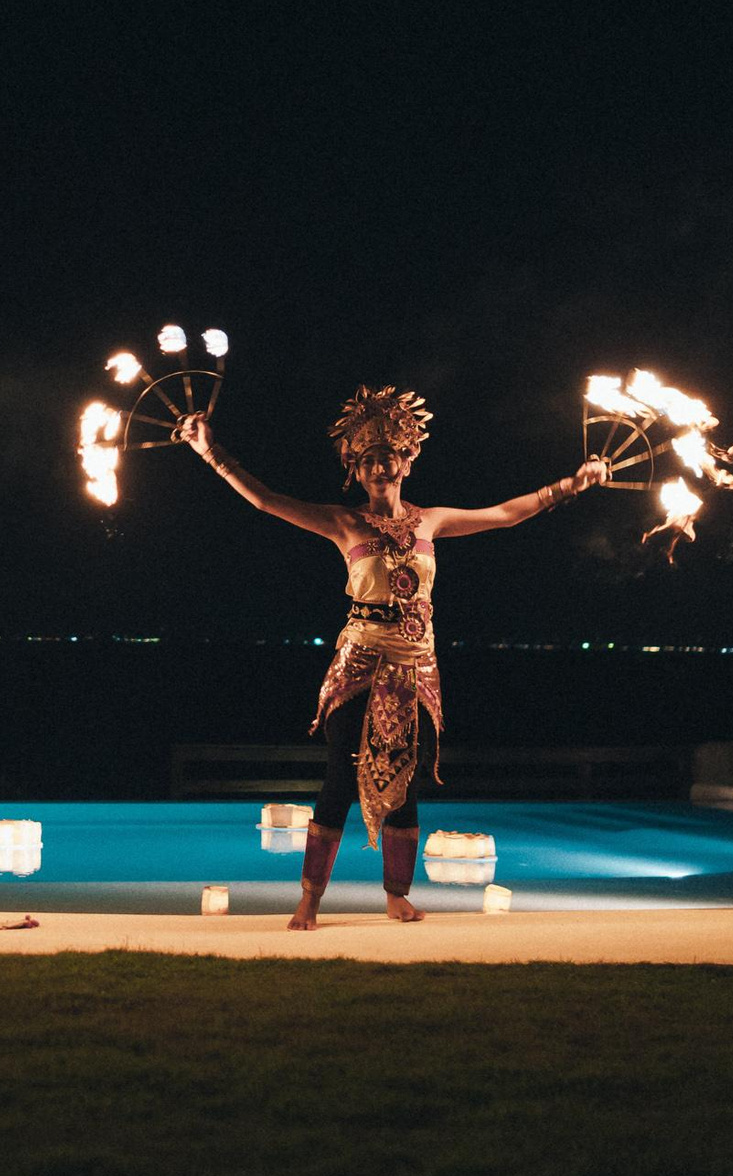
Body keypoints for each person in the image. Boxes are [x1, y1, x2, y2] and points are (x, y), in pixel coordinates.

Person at [176, 388, 606, 927]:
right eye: (368, 459)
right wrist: (210, 453)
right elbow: (266, 500)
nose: (381, 466)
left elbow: (503, 514)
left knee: (408, 777)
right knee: (340, 776)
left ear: (408, 460)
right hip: (360, 663)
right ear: (355, 470)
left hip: (417, 668)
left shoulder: (432, 521)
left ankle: (397, 894)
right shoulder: (344, 523)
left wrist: (573, 483)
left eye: (389, 456)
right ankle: (310, 899)